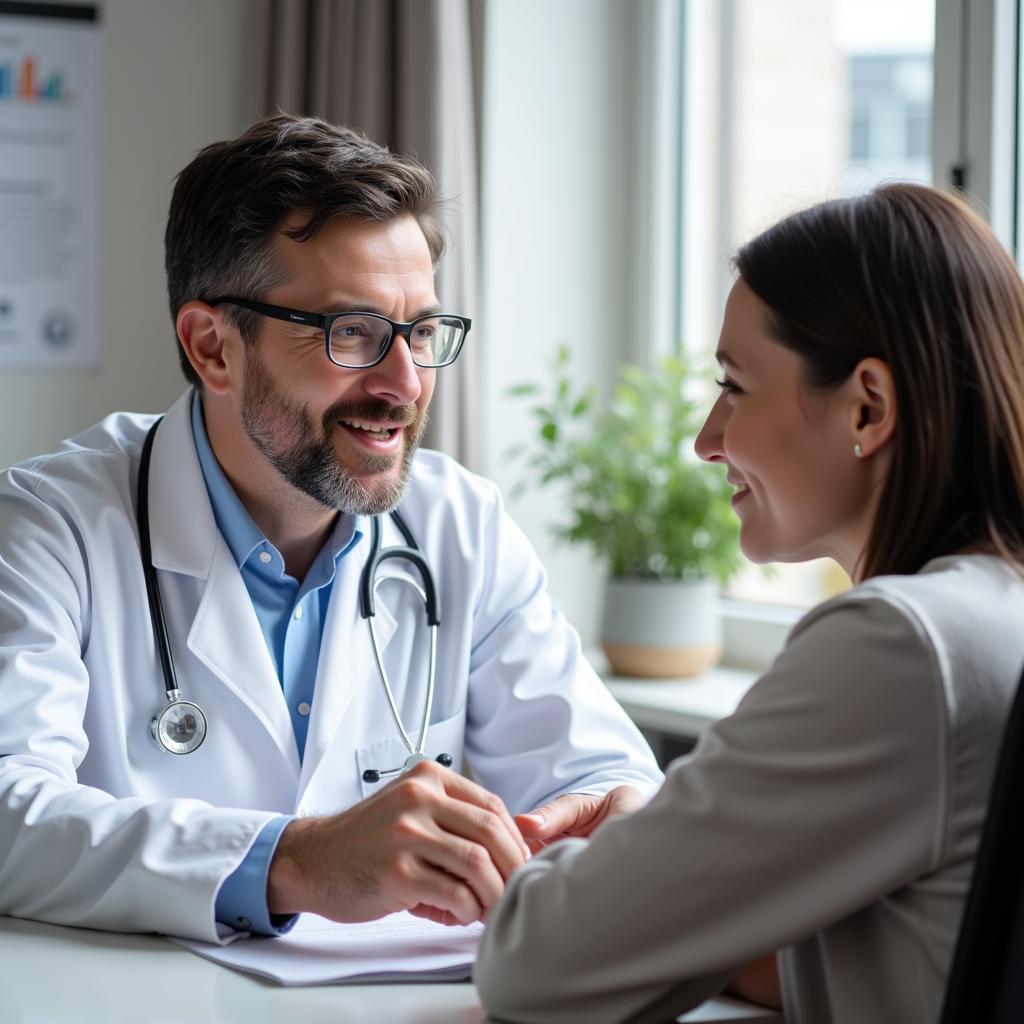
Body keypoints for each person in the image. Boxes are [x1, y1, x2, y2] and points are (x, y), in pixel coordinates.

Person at [0, 114, 662, 943]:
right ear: (213, 348)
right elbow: (8, 813)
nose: (406, 382)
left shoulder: (460, 527)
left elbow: (601, 772)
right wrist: (299, 861)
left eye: (422, 331)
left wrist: (619, 815)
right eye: (352, 332)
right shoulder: (47, 529)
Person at [475, 182, 1024, 1024]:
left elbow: (532, 965)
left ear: (867, 407)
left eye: (735, 386)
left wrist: (623, 837)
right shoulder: (995, 612)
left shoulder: (901, 645)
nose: (706, 438)